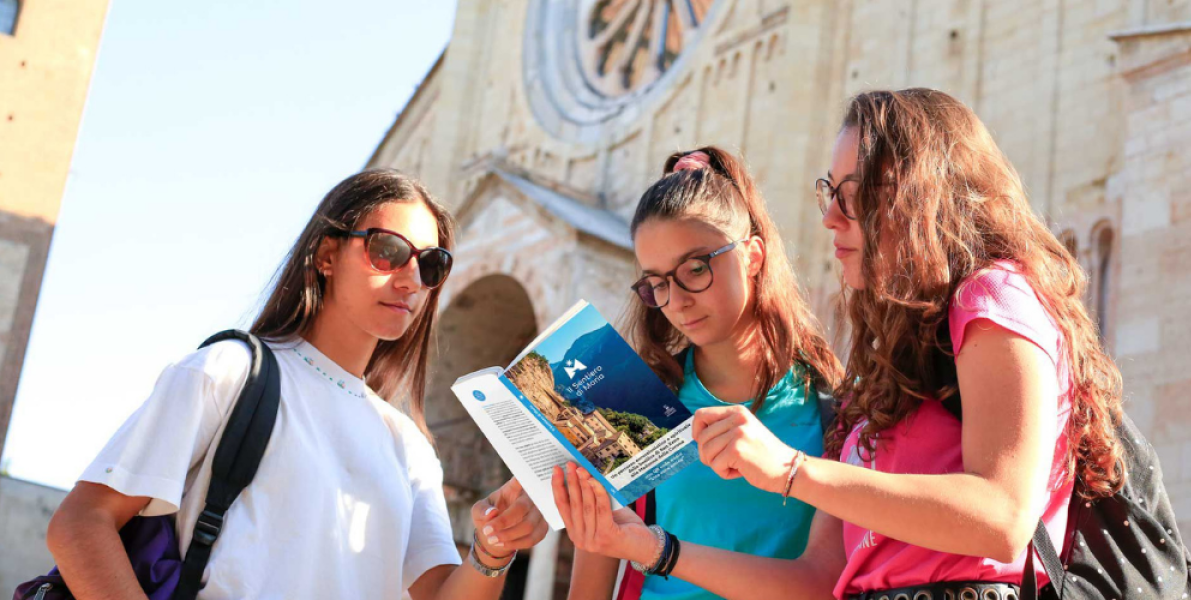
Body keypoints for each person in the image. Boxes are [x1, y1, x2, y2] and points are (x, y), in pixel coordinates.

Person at [554, 89, 1125, 600]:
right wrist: (655, 550)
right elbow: (820, 576)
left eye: (849, 195)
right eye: (828, 192)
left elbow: (1003, 517)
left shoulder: (990, 295)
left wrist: (790, 469)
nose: (827, 217)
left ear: (916, 192)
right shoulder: (877, 376)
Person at [46, 169, 549, 600]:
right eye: (388, 250)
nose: (410, 278)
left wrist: (492, 549)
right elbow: (81, 524)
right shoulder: (228, 371)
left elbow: (438, 591)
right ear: (326, 255)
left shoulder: (410, 447)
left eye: (430, 263)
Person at [558, 147, 843, 600]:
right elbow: (589, 588)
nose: (677, 300)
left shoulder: (836, 406)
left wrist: (660, 550)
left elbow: (823, 584)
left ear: (753, 255)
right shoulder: (629, 403)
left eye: (695, 268)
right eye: (657, 283)